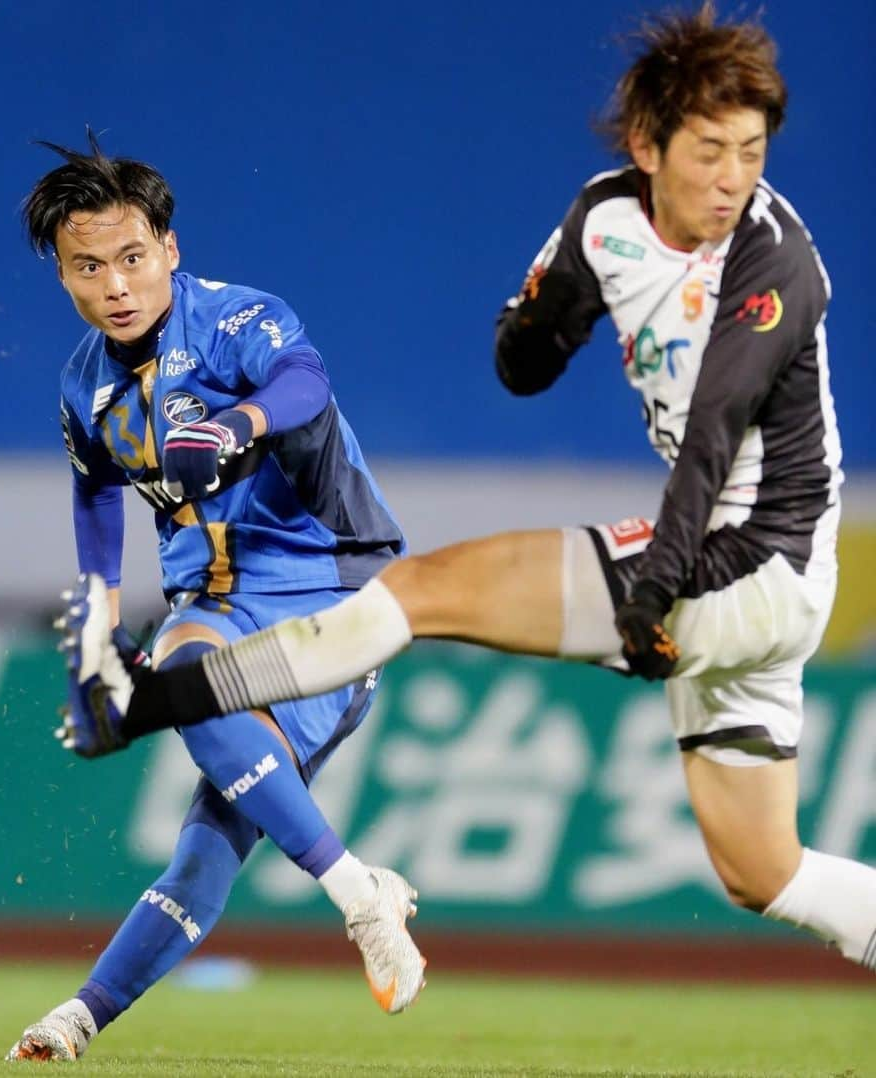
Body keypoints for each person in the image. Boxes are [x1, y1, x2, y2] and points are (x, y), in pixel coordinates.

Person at [55, 4, 876, 979]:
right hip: (751, 579)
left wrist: (653, 590)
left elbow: (709, 442)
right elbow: (521, 364)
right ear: (649, 145)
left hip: (744, 561)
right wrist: (543, 318)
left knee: (421, 593)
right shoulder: (607, 218)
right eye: (711, 151)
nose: (735, 177)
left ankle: (151, 703)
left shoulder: (773, 260)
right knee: (761, 869)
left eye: (751, 150)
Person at [6, 133, 426, 1063]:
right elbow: (94, 494)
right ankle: (80, 1019)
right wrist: (100, 621)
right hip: (213, 600)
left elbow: (306, 384)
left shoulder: (239, 322)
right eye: (88, 266)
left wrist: (237, 423)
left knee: (191, 695)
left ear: (169, 249)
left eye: (132, 257)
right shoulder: (83, 384)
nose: (115, 284)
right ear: (64, 277)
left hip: (331, 591)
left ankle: (361, 897)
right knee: (201, 842)